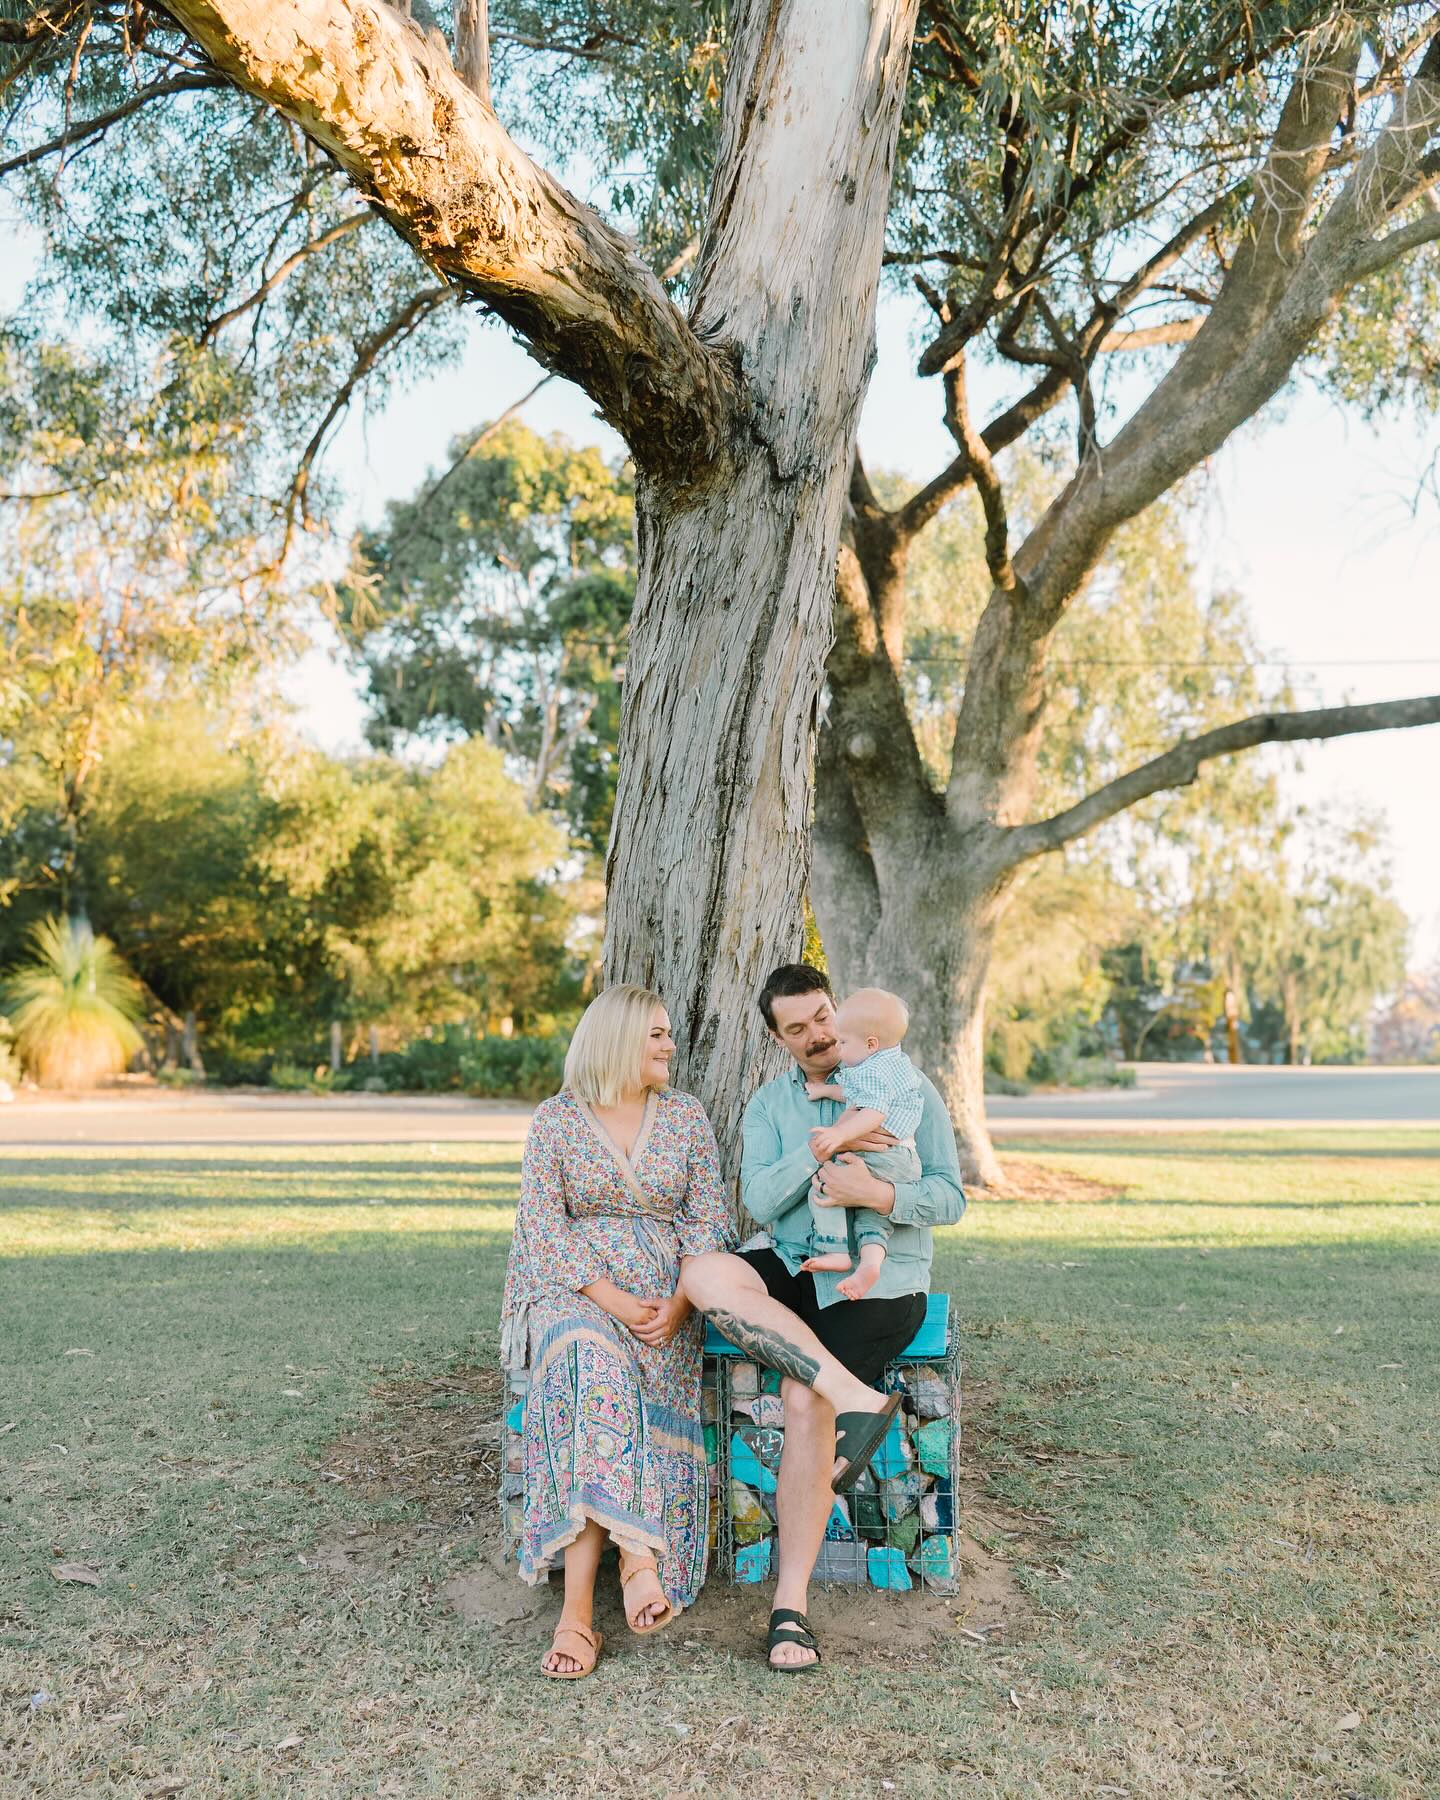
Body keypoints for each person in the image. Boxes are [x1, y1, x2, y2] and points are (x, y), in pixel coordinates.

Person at [680, 963, 965, 1672]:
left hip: (881, 1279)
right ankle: (860, 1399)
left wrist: (878, 1191)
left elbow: (951, 1196)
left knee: (801, 1396)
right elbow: (758, 1198)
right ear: (778, 1038)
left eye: (822, 1017)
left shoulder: (905, 1086)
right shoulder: (769, 1105)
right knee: (703, 1273)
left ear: (839, 1010)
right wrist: (820, 1159)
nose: (817, 1036)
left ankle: (790, 1609)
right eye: (797, 1028)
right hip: (796, 1259)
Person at [501, 984, 736, 1680]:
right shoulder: (556, 1121)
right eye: (656, 1034)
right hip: (574, 1294)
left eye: (669, 1035)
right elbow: (543, 1227)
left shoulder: (686, 1118)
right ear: (616, 1038)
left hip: (665, 1305)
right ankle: (617, 1573)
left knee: (608, 1383)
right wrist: (610, 1298)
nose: (670, 1046)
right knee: (589, 1364)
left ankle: (594, 1599)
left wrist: (680, 1303)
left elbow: (707, 1222)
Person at [798, 987, 924, 1301]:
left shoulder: (872, 1069)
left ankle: (835, 1249)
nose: (836, 1048)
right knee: (872, 1216)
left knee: (825, 1185)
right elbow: (860, 1095)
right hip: (903, 1159)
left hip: (884, 1155)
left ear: (870, 1044)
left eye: (843, 1042)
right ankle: (870, 1263)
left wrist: (840, 1135)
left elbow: (873, 1110)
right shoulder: (891, 1063)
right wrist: (827, 1092)